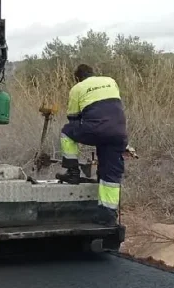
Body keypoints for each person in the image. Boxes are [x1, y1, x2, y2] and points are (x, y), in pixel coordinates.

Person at [55, 64, 129, 225]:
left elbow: (73, 118)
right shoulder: (111, 81)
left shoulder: (77, 88)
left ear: (77, 78)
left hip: (96, 130)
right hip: (119, 133)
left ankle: (72, 171)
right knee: (110, 176)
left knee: (67, 132)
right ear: (93, 73)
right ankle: (108, 216)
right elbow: (112, 108)